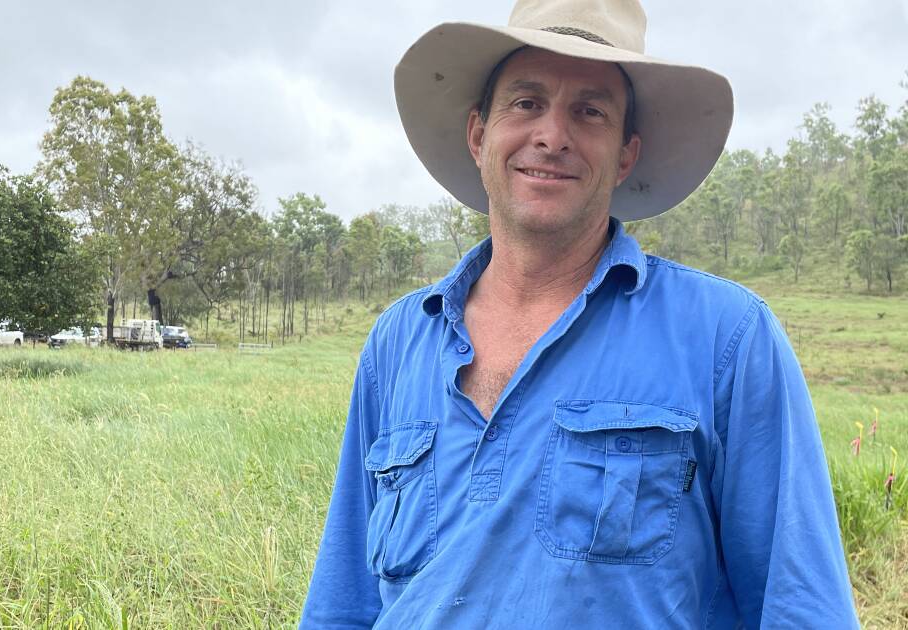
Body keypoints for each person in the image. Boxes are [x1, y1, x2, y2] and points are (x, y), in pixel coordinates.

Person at [300, 1, 859, 628]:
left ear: (625, 154)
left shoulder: (728, 337)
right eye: (527, 102)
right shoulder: (398, 340)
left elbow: (802, 606)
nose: (552, 135)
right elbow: (343, 601)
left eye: (590, 111)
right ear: (479, 135)